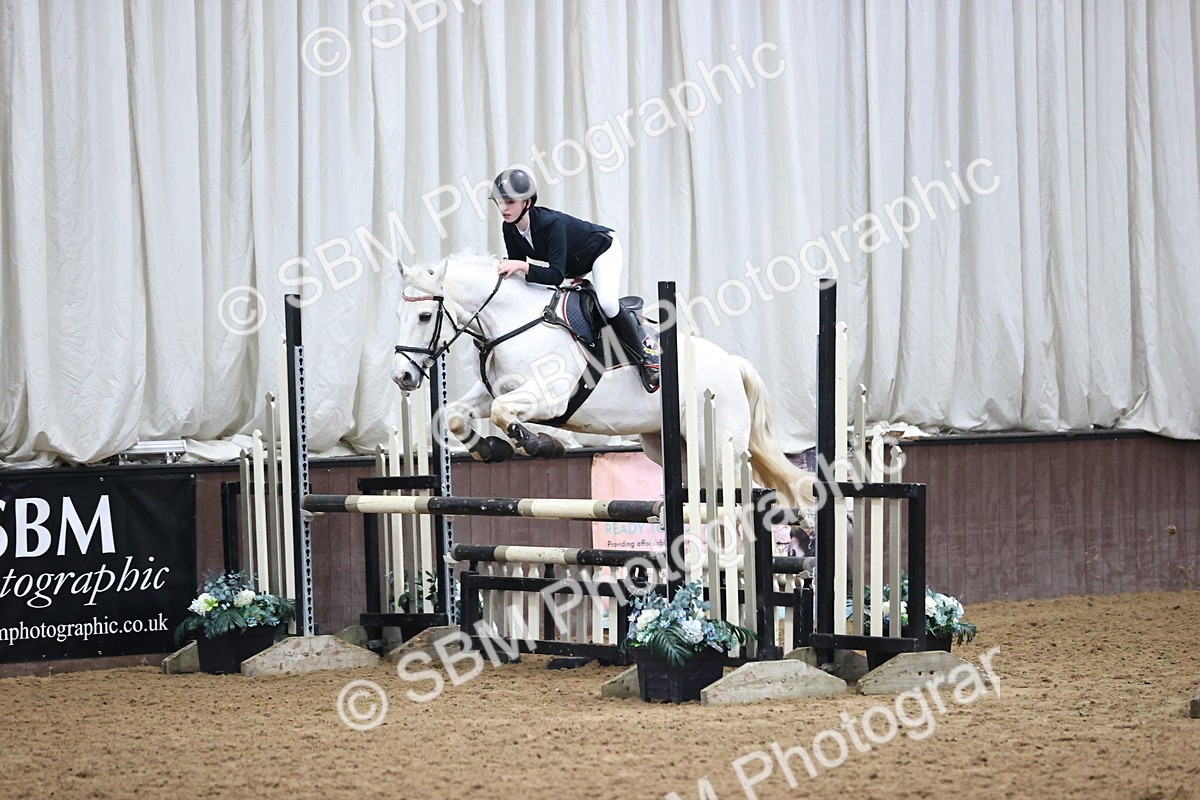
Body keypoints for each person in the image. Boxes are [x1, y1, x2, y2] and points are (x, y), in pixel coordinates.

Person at [490, 167, 659, 391]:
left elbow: (554, 274)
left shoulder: (550, 224)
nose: (504, 208)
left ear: (528, 203)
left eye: (510, 202)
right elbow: (524, 277)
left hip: (601, 249)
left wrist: (521, 266)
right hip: (571, 263)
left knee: (607, 302)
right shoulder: (509, 228)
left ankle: (647, 353)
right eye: (500, 202)